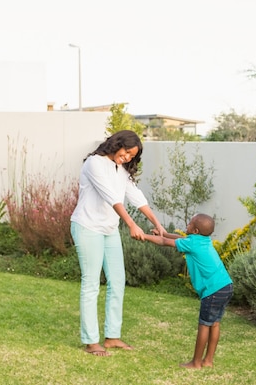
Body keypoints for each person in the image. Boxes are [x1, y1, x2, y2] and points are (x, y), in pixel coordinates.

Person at [70, 130, 168, 357]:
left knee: (117, 281)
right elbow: (110, 197)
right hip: (87, 227)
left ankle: (112, 337)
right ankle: (91, 341)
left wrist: (157, 223)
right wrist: (132, 224)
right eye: (126, 152)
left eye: (132, 156)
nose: (127, 158)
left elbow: (135, 196)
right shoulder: (95, 163)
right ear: (117, 144)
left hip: (109, 229)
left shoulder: (121, 169)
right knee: (91, 283)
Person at [143, 213, 233, 369]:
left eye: (190, 223)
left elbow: (165, 242)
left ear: (196, 230)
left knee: (204, 325)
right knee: (215, 324)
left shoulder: (193, 243)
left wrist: (143, 236)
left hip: (213, 290)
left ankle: (196, 362)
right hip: (226, 286)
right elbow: (179, 238)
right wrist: (163, 232)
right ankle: (208, 360)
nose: (187, 224)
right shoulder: (203, 240)